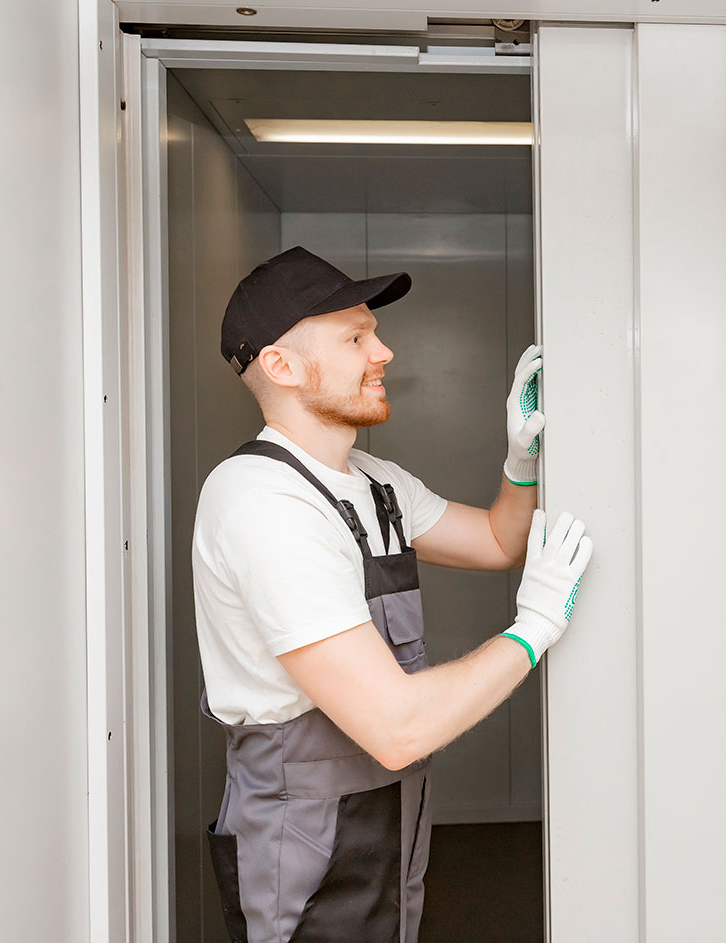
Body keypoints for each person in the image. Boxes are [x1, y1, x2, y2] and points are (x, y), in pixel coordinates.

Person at [191, 245, 593, 943]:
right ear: (281, 366)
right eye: (355, 336)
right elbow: (398, 727)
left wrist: (521, 462)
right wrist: (532, 629)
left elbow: (500, 540)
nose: (385, 352)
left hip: (384, 809)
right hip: (303, 833)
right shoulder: (263, 502)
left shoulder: (375, 482)